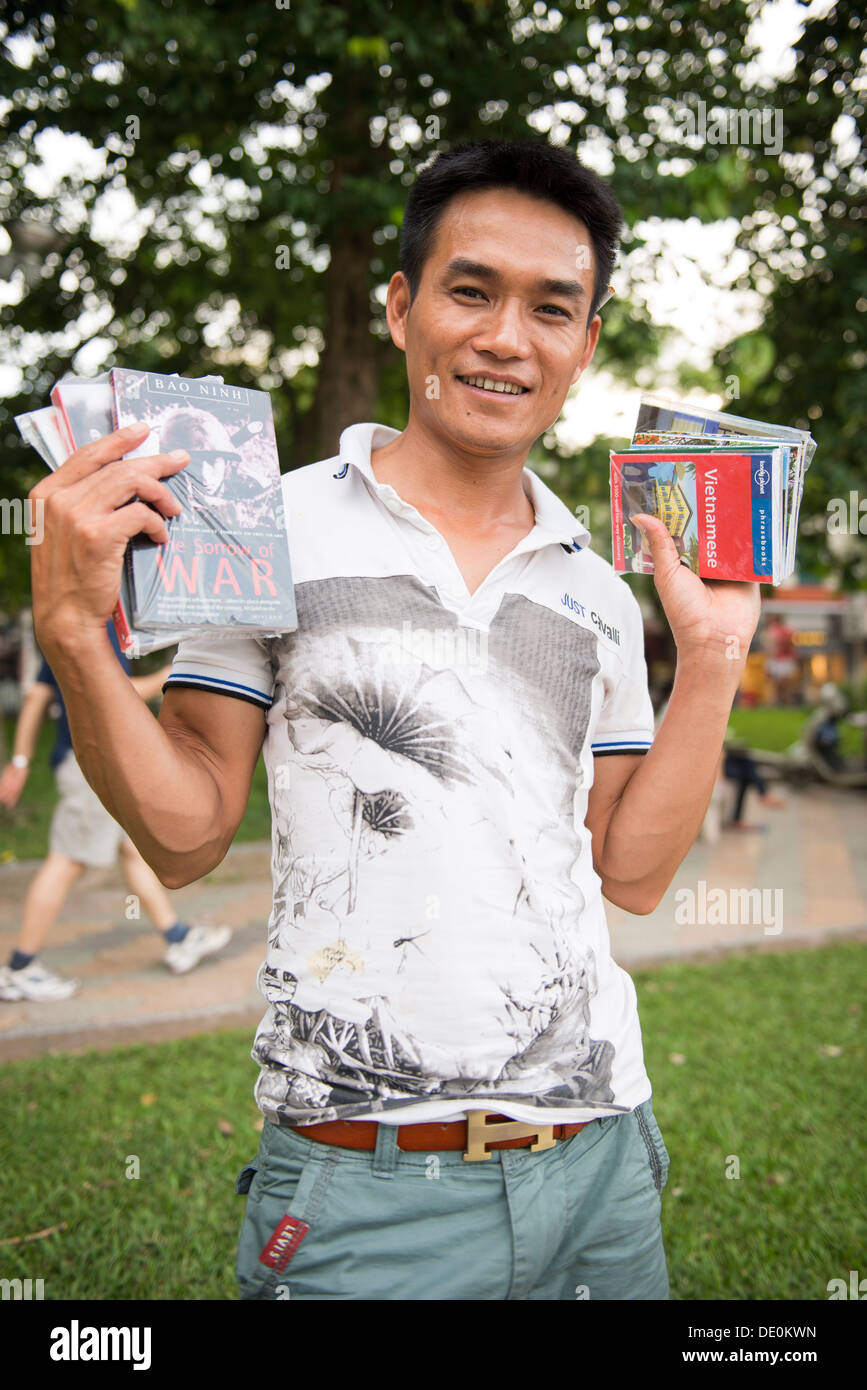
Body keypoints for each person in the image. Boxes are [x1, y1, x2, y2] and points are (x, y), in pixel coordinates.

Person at [26, 139, 762, 1300]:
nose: (506, 337)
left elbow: (632, 870)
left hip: (602, 1160)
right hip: (365, 1188)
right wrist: (74, 633)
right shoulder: (266, 526)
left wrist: (714, 656)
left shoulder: (598, 590)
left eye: (551, 308)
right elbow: (185, 834)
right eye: (471, 290)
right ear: (402, 305)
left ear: (587, 342)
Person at [0, 621, 232, 1001]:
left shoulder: (66, 627)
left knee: (131, 850)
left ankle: (178, 938)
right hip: (91, 762)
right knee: (67, 860)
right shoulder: (96, 626)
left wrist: (21, 761)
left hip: (84, 761)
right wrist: (172, 673)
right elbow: (120, 695)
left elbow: (38, 697)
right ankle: (20, 967)